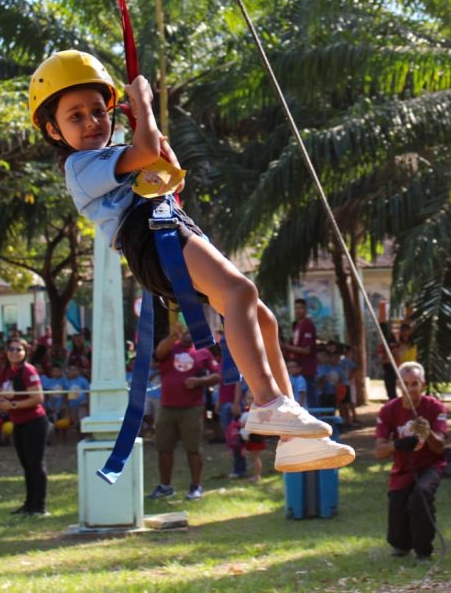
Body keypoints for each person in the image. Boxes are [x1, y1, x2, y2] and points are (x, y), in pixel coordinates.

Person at [28, 51, 352, 472]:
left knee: (263, 318)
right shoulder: (81, 165)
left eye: (97, 110)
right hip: (150, 235)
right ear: (54, 129)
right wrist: (143, 102)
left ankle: (290, 437)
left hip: (166, 225)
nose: (91, 122)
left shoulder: (114, 155)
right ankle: (268, 401)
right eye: (75, 116)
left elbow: (167, 168)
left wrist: (149, 130)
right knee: (240, 292)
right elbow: (146, 150)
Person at [374, 361, 447, 561]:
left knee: (420, 496)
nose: (410, 389)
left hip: (430, 466)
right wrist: (397, 445)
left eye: (414, 383)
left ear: (422, 384)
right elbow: (379, 451)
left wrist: (428, 432)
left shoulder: (435, 407)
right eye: (405, 384)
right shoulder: (388, 410)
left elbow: (440, 447)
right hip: (403, 468)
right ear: (398, 385)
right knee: (398, 511)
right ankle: (401, 545)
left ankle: (423, 550)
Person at [149, 323, 221, 501]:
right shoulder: (171, 348)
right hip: (167, 407)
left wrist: (199, 381)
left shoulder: (203, 352)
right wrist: (173, 336)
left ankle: (196, 486)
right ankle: (165, 486)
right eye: (186, 331)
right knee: (164, 448)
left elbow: (217, 376)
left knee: (194, 448)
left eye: (192, 331)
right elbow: (158, 354)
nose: (189, 334)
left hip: (192, 408)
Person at [0, 338, 49, 516]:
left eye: (19, 349)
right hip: (17, 423)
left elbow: (37, 398)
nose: (14, 352)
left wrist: (14, 406)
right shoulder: (4, 371)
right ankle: (29, 505)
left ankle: (39, 507)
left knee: (36, 464)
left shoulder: (28, 370)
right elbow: (3, 394)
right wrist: (1, 404)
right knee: (26, 465)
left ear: (25, 352)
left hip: (34, 422)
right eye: (11, 349)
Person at [284, 299, 319, 405]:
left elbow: (307, 350)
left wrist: (285, 346)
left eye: (301, 308)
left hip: (306, 369)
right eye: (296, 308)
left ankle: (315, 419)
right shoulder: (296, 325)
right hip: (296, 370)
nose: (298, 310)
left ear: (305, 309)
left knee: (309, 399)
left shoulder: (307, 324)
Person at [377, 322, 400, 400]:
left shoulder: (391, 341)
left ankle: (393, 399)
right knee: (388, 385)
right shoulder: (383, 341)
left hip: (391, 365)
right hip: (386, 365)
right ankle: (391, 399)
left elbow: (396, 353)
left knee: (391, 384)